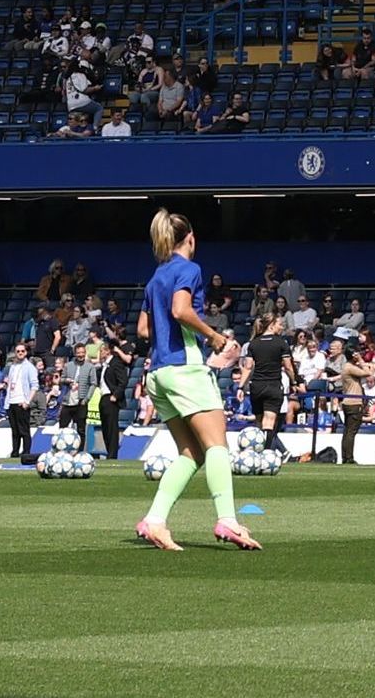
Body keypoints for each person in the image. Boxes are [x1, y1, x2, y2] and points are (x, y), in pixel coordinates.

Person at [131, 209, 255, 552]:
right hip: (185, 368)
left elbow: (142, 329)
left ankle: (154, 520)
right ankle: (227, 520)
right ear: (191, 238)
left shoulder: (156, 277)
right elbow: (181, 310)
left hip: (158, 373)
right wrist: (214, 337)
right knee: (217, 446)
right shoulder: (189, 269)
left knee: (191, 453)